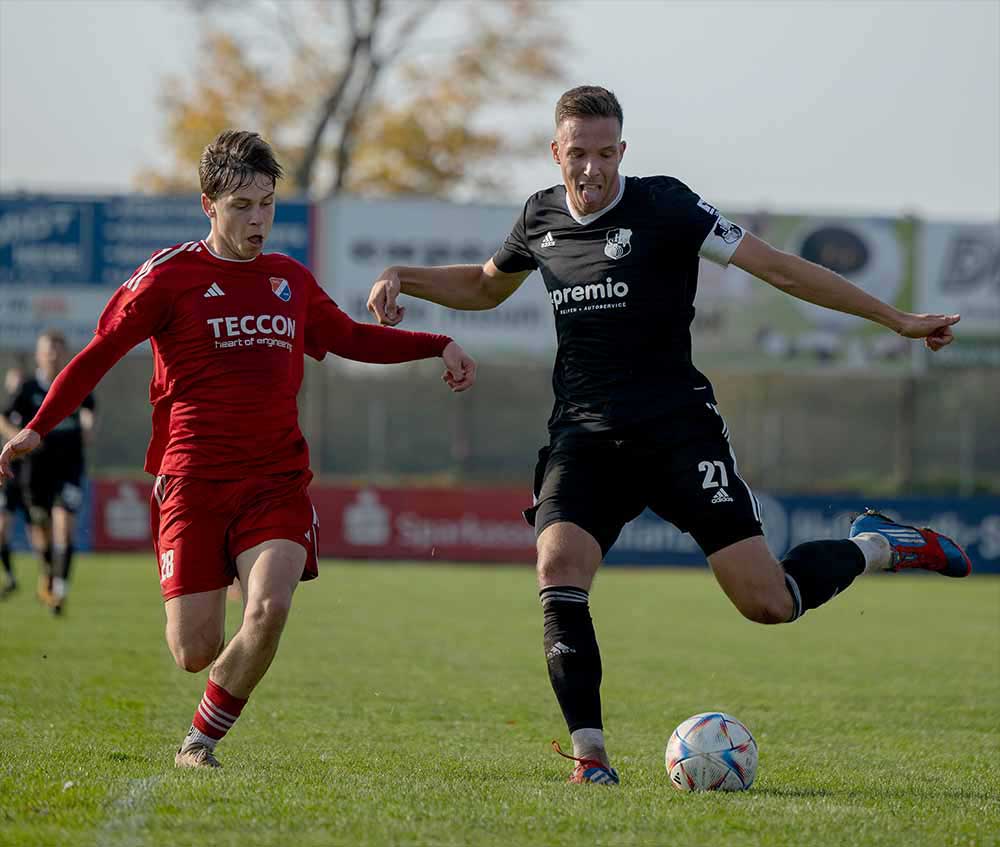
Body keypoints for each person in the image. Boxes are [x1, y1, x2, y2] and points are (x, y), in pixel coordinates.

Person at [365, 86, 972, 785]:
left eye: (603, 154)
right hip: (584, 438)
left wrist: (897, 320)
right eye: (577, 155)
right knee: (558, 568)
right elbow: (483, 286)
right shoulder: (539, 217)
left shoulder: (667, 206)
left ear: (621, 152)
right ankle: (590, 759)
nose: (590, 170)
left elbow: (775, 266)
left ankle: (878, 544)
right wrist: (400, 275)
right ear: (555, 153)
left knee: (768, 602)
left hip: (678, 432)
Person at [0, 129, 478, 769]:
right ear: (208, 205)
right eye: (241, 206)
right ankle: (204, 651)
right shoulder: (169, 278)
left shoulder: (289, 279)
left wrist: (436, 343)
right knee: (194, 652)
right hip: (192, 483)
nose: (258, 220)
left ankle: (200, 742)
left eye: (267, 204)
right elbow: (100, 352)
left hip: (274, 480)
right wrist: (40, 422)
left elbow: (349, 339)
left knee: (270, 607)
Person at [1, 334, 96, 613]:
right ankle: (48, 572)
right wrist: (16, 438)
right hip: (36, 468)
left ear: (65, 353)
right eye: (47, 350)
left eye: (57, 349)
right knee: (40, 528)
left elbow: (90, 411)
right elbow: (5, 417)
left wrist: (89, 426)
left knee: (64, 525)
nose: (53, 355)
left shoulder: (76, 382)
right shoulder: (28, 388)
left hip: (69, 466)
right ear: (38, 354)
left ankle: (60, 592)